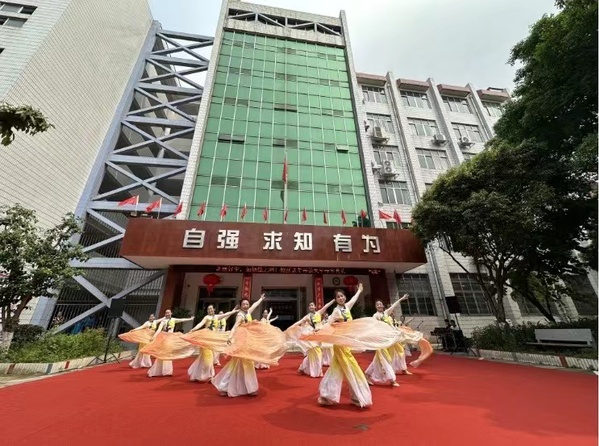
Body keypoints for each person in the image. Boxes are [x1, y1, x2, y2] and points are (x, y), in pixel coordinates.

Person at [212, 294, 287, 397]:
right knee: (240, 363)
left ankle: (247, 388)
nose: (246, 306)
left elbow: (254, 305)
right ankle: (226, 387)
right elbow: (235, 326)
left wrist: (260, 299)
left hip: (248, 341)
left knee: (246, 363)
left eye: (247, 304)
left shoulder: (247, 313)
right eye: (244, 304)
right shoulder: (240, 315)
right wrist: (230, 337)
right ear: (240, 305)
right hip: (241, 341)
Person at [186, 306, 239, 382]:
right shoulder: (206, 317)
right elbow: (201, 324)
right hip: (205, 340)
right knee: (208, 358)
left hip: (213, 340)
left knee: (207, 358)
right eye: (208, 309)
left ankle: (203, 375)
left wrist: (234, 311)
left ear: (214, 309)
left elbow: (226, 314)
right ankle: (209, 375)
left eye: (211, 308)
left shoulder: (217, 317)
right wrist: (194, 329)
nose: (210, 310)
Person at [365, 295, 409, 386]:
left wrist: (401, 299)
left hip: (388, 340)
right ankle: (392, 380)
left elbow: (394, 306)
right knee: (386, 359)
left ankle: (367, 375)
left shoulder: (386, 313)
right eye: (377, 305)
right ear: (375, 307)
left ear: (383, 305)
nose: (379, 306)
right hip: (381, 341)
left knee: (377, 360)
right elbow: (373, 327)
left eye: (380, 304)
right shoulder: (375, 316)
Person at [286, 299, 335, 378]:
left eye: (312, 305)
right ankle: (316, 372)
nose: (311, 307)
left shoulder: (319, 313)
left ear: (315, 306)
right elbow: (299, 322)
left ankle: (303, 367)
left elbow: (326, 306)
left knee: (312, 354)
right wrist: (289, 328)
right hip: (311, 337)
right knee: (317, 353)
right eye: (310, 306)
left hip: (318, 336)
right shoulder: (307, 317)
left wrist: (333, 300)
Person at [145, 309, 195, 377]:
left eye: (168, 312)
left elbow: (181, 320)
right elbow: (159, 330)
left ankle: (167, 371)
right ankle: (158, 371)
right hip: (164, 338)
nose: (167, 314)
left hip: (170, 338)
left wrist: (190, 319)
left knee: (168, 353)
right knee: (163, 353)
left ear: (171, 313)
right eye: (166, 313)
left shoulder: (173, 320)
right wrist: (154, 337)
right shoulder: (163, 321)